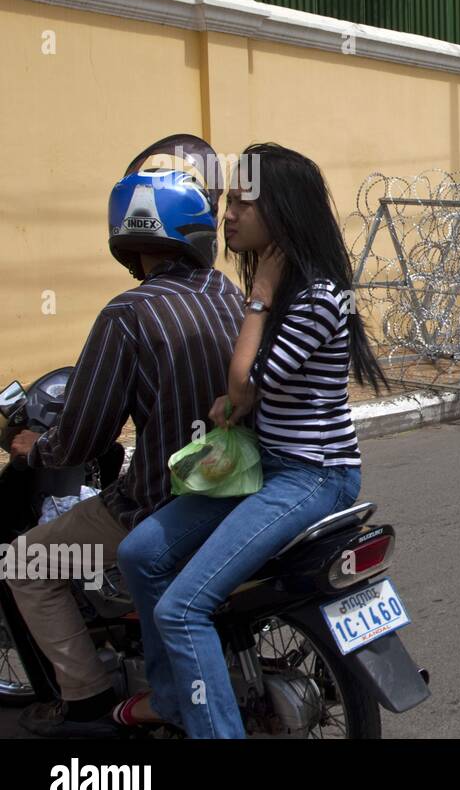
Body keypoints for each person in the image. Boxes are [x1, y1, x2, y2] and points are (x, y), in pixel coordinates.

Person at [116, 143, 388, 738]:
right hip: (267, 467)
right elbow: (247, 394)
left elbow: (245, 382)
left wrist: (260, 292)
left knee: (182, 609)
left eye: (242, 202)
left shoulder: (317, 297)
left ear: (283, 214)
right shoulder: (292, 292)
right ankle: (172, 698)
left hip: (312, 476)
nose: (226, 214)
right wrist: (236, 403)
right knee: (139, 553)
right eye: (227, 201)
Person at [3, 135, 243, 736]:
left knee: (27, 563)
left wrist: (36, 449)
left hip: (161, 498)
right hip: (239, 484)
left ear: (129, 239)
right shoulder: (227, 294)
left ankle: (85, 703)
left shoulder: (127, 314)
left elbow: (84, 438)